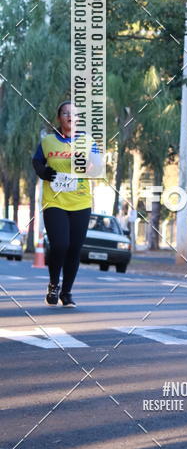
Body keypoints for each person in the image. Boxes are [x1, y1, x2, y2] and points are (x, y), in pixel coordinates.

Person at [32, 101, 103, 307]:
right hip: (54, 201)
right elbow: (37, 161)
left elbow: (98, 168)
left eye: (74, 114)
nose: (70, 117)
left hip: (81, 201)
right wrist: (44, 173)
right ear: (59, 118)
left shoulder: (88, 141)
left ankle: (67, 292)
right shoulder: (48, 141)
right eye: (65, 113)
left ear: (79, 119)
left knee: (74, 248)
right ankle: (54, 284)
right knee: (60, 245)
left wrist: (88, 165)